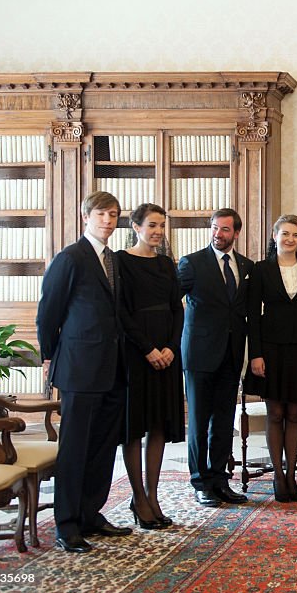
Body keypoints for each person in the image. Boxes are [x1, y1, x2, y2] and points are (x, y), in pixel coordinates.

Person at [37, 191, 130, 553]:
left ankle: (92, 513)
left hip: (112, 368)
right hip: (79, 368)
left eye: (113, 215)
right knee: (75, 448)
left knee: (103, 447)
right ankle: (67, 524)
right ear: (85, 215)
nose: (108, 220)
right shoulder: (70, 258)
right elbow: (49, 313)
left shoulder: (114, 261)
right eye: (102, 214)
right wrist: (49, 356)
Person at [245, 215, 297, 503]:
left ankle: (292, 475)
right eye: (284, 234)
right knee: (275, 414)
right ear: (274, 236)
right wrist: (255, 354)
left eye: (295, 235)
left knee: (295, 414)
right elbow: (252, 317)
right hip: (270, 350)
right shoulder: (261, 269)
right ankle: (278, 477)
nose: (290, 239)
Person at [178, 208, 254, 507]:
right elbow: (173, 304)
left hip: (231, 354)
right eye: (214, 228)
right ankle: (200, 481)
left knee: (223, 421)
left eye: (224, 230)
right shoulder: (192, 263)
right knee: (198, 421)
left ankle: (220, 480)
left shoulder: (246, 266)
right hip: (199, 355)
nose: (218, 234)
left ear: (236, 233)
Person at [117, 203, 184, 530]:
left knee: (158, 424)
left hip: (167, 356)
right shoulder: (120, 261)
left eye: (161, 226)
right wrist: (149, 349)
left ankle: (153, 495)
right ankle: (138, 497)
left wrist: (171, 347)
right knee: (135, 426)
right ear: (136, 226)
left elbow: (178, 309)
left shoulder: (167, 264)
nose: (158, 231)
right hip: (136, 355)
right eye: (152, 225)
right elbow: (121, 313)